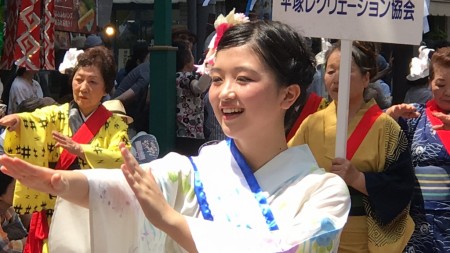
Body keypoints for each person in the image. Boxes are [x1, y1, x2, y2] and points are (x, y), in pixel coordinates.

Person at [0, 20, 351, 252]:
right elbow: (124, 187)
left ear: (288, 95)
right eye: (216, 79)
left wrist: (171, 221)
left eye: (243, 79)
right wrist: (62, 183)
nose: (224, 93)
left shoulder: (323, 193)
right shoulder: (197, 170)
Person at [0, 46, 131, 252]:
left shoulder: (115, 125)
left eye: (93, 81)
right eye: (79, 79)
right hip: (55, 204)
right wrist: (18, 121)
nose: (83, 87)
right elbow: (35, 119)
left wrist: (82, 150)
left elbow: (122, 159)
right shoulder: (56, 114)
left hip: (91, 206)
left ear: (106, 88)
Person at [288, 41, 415, 252]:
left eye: (346, 71)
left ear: (366, 78)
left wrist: (358, 179)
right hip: (317, 232)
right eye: (330, 71)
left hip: (362, 236)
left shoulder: (386, 127)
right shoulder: (313, 123)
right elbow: (288, 169)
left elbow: (401, 186)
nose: (336, 78)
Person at [386, 47, 450, 253]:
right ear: (430, 81)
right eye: (441, 84)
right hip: (418, 228)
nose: (447, 92)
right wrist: (388, 118)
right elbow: (379, 145)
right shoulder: (414, 116)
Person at [173, 40, 211, 156]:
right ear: (186, 59)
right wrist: (210, 67)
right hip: (192, 132)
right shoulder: (186, 77)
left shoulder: (174, 76)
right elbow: (200, 87)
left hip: (179, 131)